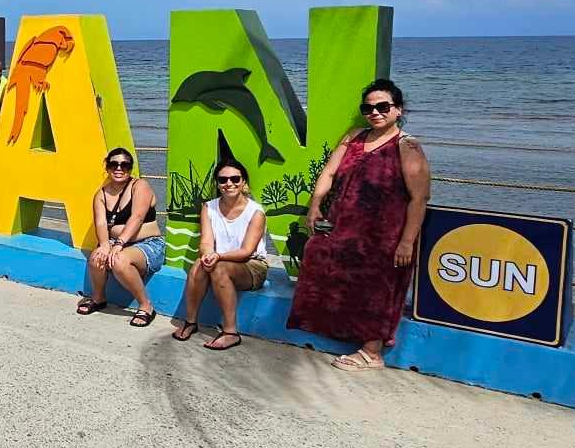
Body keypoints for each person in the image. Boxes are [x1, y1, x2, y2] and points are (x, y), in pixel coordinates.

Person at [288, 78, 431, 372]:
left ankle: (372, 352)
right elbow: (328, 173)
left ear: (398, 109)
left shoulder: (408, 146)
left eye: (382, 106)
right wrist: (315, 206)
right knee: (320, 259)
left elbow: (419, 198)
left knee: (376, 288)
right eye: (368, 107)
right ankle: (336, 330)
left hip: (384, 236)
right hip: (345, 227)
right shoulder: (354, 137)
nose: (375, 112)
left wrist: (407, 241)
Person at [172, 158, 273, 350]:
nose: (229, 184)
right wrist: (209, 255)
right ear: (217, 184)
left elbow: (246, 252)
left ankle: (230, 332)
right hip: (221, 260)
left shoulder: (256, 212)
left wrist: (217, 257)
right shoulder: (208, 207)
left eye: (235, 179)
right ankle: (191, 321)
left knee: (218, 269)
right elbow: (206, 242)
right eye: (223, 180)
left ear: (244, 182)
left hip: (252, 266)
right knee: (199, 266)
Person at [77, 147, 163, 325]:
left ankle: (146, 306)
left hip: (148, 244)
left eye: (125, 165)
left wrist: (119, 243)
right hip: (118, 242)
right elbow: (100, 223)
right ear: (107, 167)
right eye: (114, 164)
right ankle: (99, 298)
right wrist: (104, 245)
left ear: (130, 168)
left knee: (119, 260)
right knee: (96, 258)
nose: (119, 168)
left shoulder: (140, 186)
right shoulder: (100, 195)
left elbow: (137, 217)